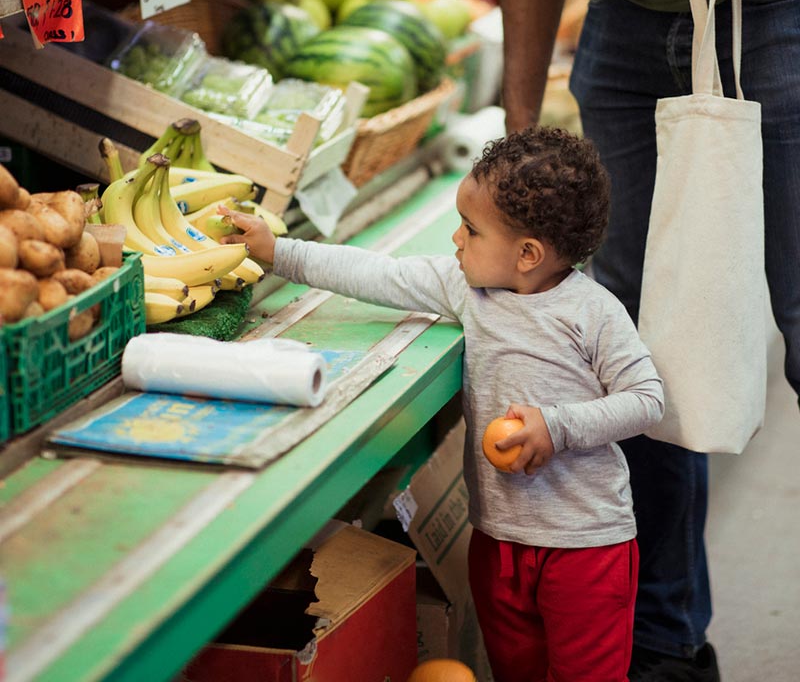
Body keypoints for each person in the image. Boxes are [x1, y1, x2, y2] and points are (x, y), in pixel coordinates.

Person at [222, 126, 665, 682]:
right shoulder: (467, 287)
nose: (456, 239)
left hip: (585, 548)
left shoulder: (593, 312)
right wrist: (277, 251)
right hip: (497, 541)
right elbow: (375, 275)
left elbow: (648, 401)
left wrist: (557, 426)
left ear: (527, 254)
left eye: (471, 230)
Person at [497, 0, 800, 680]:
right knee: (638, 355)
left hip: (782, 2)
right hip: (627, 31)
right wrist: (518, 132)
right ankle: (665, 646)